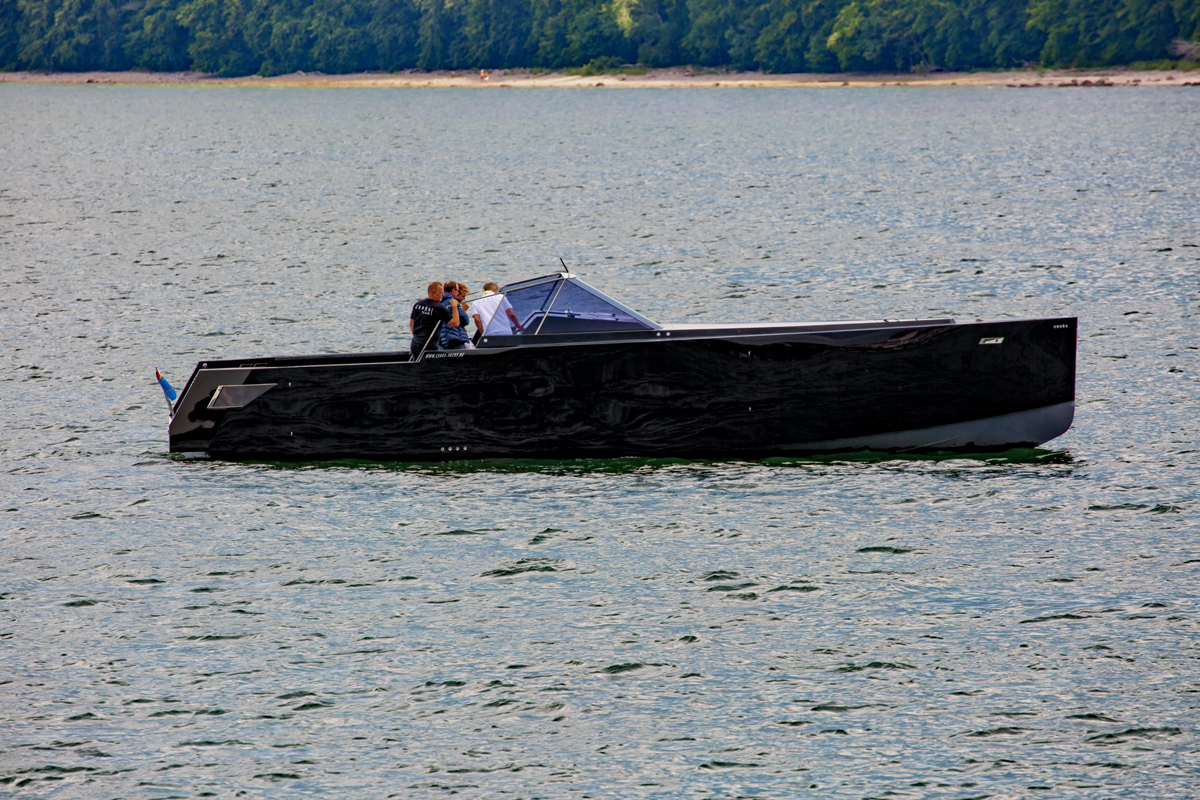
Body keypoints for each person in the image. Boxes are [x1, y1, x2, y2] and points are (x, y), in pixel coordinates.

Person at [409, 281, 457, 358]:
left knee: (416, 363)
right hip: (428, 346)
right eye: (441, 292)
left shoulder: (418, 304)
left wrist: (416, 337)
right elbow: (455, 323)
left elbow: (411, 323)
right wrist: (454, 306)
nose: (443, 295)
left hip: (415, 343)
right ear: (434, 293)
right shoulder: (439, 308)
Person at [439, 281, 474, 350]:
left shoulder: (440, 302)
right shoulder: (452, 302)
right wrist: (464, 310)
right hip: (454, 337)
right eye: (457, 291)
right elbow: (465, 320)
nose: (458, 293)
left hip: (442, 339)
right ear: (453, 291)